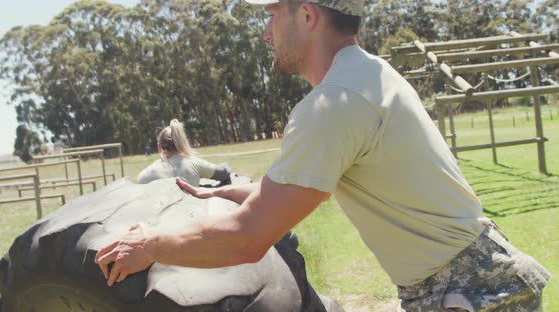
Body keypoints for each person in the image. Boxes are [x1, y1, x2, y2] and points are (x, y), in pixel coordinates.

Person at [96, 1, 550, 311]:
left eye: (273, 14)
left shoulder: (333, 104)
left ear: (308, 15)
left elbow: (248, 239)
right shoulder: (367, 75)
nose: (265, 32)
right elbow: (322, 181)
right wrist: (248, 192)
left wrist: (150, 245)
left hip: (468, 291)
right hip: (474, 279)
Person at [136, 119, 231, 187]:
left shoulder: (142, 177)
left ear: (159, 147)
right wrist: (225, 165)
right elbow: (223, 174)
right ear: (182, 143)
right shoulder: (195, 163)